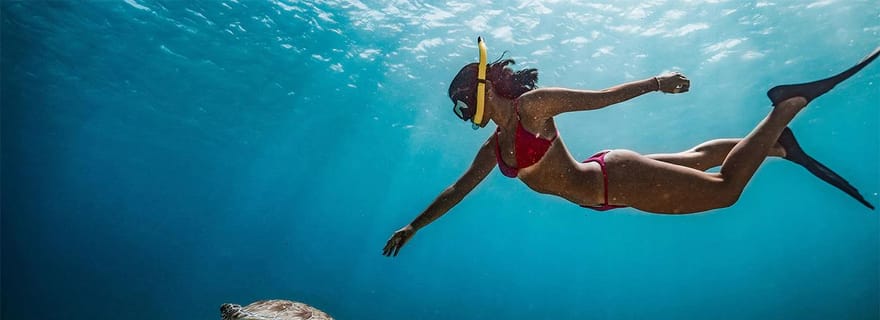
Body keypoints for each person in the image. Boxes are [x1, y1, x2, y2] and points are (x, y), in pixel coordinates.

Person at [383, 37, 878, 257]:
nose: (461, 107)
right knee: (695, 159)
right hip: (609, 178)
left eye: (463, 98)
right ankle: (776, 145)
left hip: (613, 179)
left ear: (479, 94)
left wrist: (657, 82)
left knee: (724, 189)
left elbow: (602, 98)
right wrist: (414, 225)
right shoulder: (496, 147)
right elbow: (457, 189)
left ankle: (784, 109)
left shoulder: (531, 107)